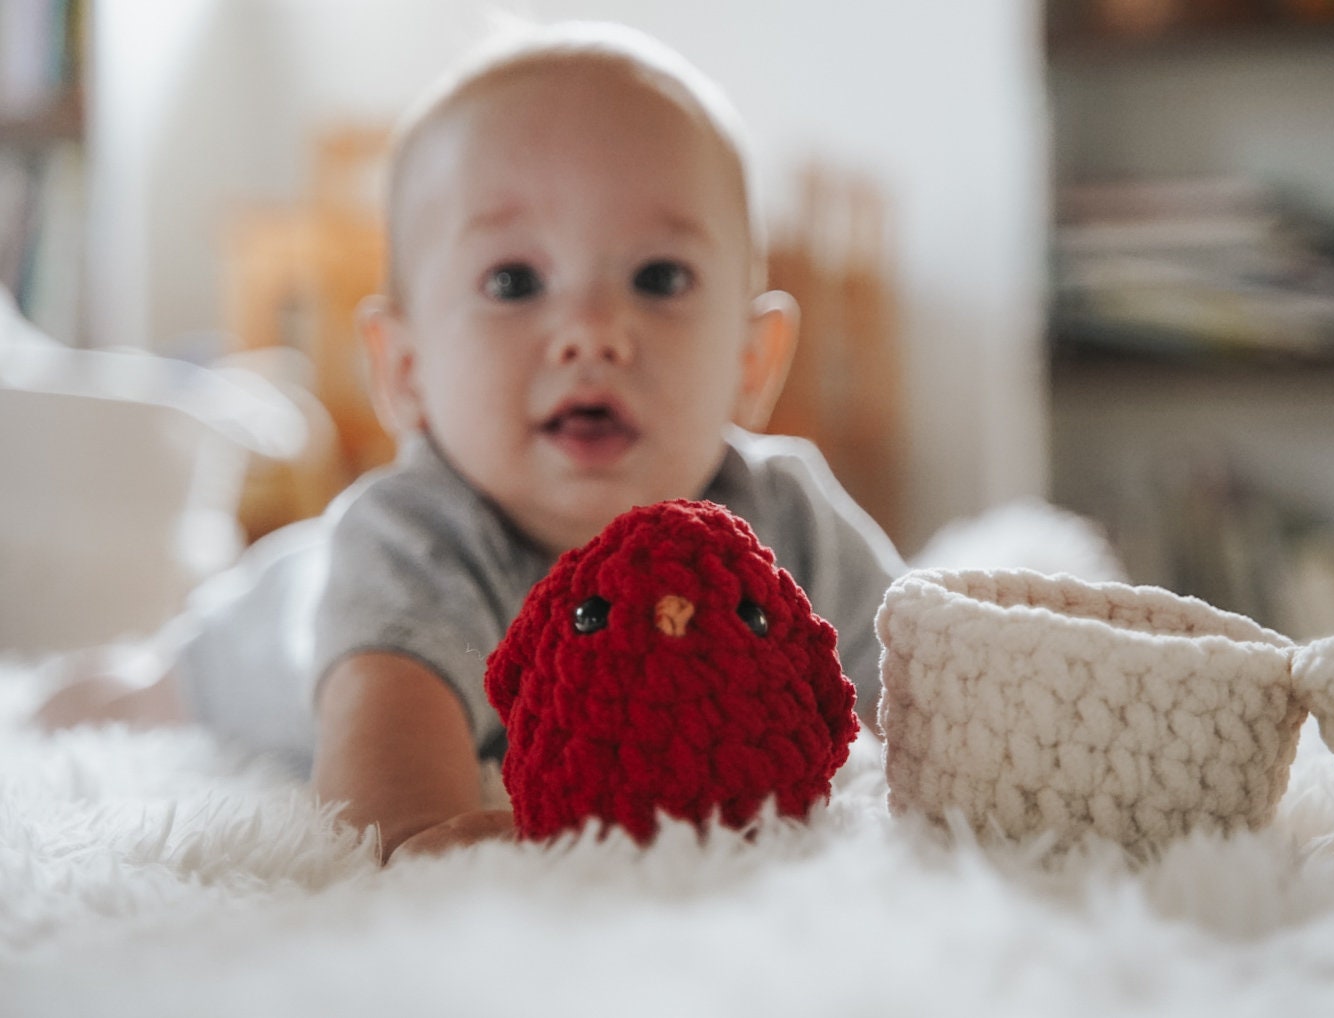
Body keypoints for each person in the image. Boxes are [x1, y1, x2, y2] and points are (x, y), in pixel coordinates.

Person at [35, 20, 906, 861]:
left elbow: (914, 685)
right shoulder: (414, 534)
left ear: (754, 362)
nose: (592, 332)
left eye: (659, 277)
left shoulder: (784, 518)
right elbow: (383, 760)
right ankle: (77, 685)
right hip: (273, 636)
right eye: (514, 281)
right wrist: (418, 831)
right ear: (406, 369)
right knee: (125, 699)